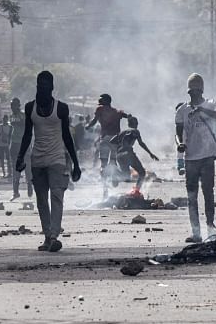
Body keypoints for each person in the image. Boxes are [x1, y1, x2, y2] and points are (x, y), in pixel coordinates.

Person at [15, 71, 84, 252]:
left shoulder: (61, 108)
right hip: (37, 160)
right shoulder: (30, 108)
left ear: (52, 88)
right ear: (36, 87)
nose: (42, 90)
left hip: (57, 159)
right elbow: (27, 135)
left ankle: (54, 236)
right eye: (39, 86)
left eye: (45, 87)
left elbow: (67, 136)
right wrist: (20, 157)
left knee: (56, 196)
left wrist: (76, 163)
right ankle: (47, 237)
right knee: (41, 201)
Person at [175, 73, 216, 243]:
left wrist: (202, 110)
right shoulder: (182, 110)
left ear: (201, 91)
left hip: (207, 157)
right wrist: (180, 144)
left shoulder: (211, 104)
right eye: (191, 92)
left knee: (208, 193)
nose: (193, 95)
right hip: (190, 159)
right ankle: (196, 232)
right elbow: (177, 134)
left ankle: (211, 228)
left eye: (196, 92)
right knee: (191, 196)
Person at [113, 116, 159, 195]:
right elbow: (141, 143)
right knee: (142, 173)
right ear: (135, 124)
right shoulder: (135, 131)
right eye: (136, 123)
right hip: (128, 154)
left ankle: (116, 178)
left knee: (126, 176)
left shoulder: (122, 132)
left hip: (120, 155)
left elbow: (112, 141)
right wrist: (150, 153)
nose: (137, 124)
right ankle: (136, 191)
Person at [88, 93, 129, 183]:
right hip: (115, 139)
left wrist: (88, 126)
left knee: (104, 164)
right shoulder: (117, 112)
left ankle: (105, 183)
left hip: (105, 138)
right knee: (113, 162)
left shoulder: (100, 109)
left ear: (106, 101)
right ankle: (113, 177)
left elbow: (94, 121)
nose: (100, 101)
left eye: (101, 99)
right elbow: (127, 116)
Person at [8, 98, 30, 199]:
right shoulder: (11, 116)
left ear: (18, 105)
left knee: (27, 168)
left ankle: (30, 184)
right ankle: (15, 192)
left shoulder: (23, 115)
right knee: (15, 169)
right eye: (11, 106)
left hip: (23, 144)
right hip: (14, 144)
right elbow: (10, 129)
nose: (12, 108)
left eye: (14, 105)